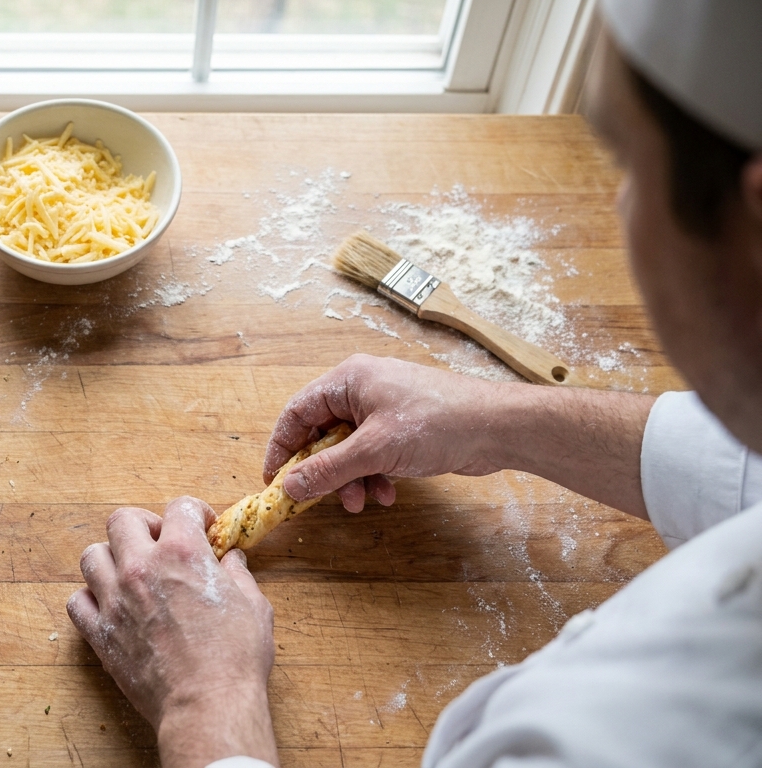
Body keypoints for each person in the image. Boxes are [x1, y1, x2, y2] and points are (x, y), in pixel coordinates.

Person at [65, 1, 762, 765]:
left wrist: (204, 701)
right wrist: (493, 417)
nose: (621, 202)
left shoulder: (636, 733)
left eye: (627, 164)